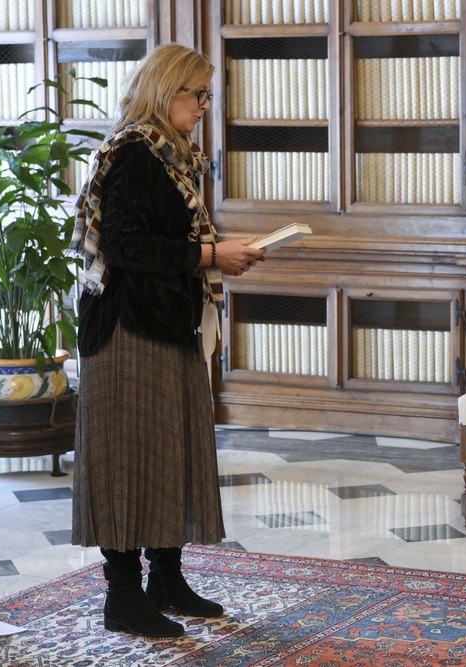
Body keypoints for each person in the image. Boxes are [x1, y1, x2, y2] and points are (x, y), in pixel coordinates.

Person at [69, 43, 266, 638]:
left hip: (167, 324)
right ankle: (123, 596)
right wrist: (212, 253)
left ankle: (167, 578)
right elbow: (126, 248)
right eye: (196, 94)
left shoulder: (174, 156)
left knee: (170, 454)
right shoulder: (133, 153)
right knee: (129, 461)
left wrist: (216, 255)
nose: (206, 105)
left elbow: (161, 241)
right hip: (128, 331)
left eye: (209, 94)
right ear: (163, 91)